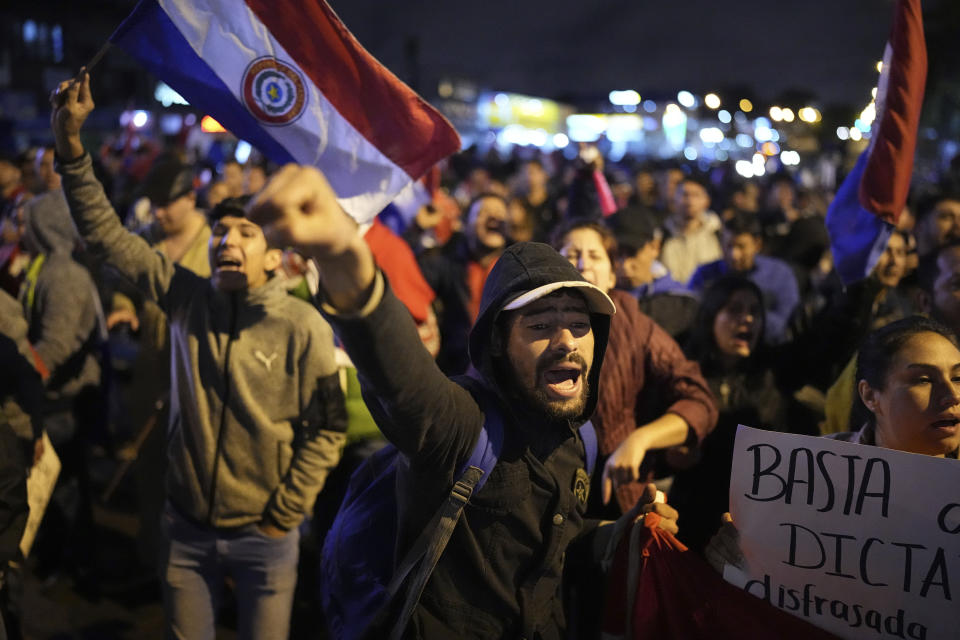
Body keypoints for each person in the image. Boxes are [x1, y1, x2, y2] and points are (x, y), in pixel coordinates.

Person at [246, 164, 679, 638]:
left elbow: (547, 552)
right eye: (539, 326)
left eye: (578, 324)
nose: (567, 342)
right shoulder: (463, 427)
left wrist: (620, 535)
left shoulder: (581, 440)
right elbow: (403, 380)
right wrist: (344, 256)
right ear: (496, 342)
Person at [51, 72, 346, 640]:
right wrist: (70, 146)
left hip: (266, 538)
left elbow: (327, 426)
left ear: (273, 256)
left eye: (246, 233)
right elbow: (109, 237)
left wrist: (284, 512)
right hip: (184, 529)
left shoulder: (304, 325)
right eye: (221, 231)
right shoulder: (187, 298)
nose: (227, 240)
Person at [707, 315, 960, 576]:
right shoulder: (805, 475)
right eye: (923, 380)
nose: (952, 395)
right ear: (870, 395)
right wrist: (738, 559)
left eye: (958, 378)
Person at [554, 220, 717, 516]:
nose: (582, 263)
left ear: (612, 275)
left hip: (618, 497)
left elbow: (700, 401)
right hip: (549, 495)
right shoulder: (533, 327)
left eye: (595, 256)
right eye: (571, 254)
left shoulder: (632, 324)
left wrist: (641, 439)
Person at [668, 276, 808, 553]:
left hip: (758, 521)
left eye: (755, 311)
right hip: (695, 518)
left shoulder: (774, 372)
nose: (747, 319)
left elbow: (828, 343)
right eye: (735, 309)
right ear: (711, 316)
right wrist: (669, 457)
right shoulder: (684, 373)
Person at [408, 192, 510, 374]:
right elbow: (401, 274)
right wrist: (417, 228)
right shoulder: (444, 262)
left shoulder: (517, 265)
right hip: (456, 373)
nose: (495, 217)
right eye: (484, 212)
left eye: (501, 213)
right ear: (465, 224)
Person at [688, 214, 800, 344]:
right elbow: (692, 316)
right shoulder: (705, 274)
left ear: (757, 244)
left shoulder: (779, 275)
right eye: (728, 246)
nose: (734, 255)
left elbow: (785, 322)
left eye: (741, 246)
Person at [659, 176, 722, 284]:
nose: (689, 201)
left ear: (706, 201)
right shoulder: (662, 234)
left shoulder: (718, 233)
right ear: (675, 198)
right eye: (684, 194)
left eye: (696, 195)